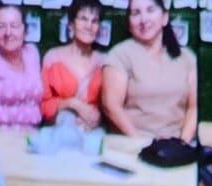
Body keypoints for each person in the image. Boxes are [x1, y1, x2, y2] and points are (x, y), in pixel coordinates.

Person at [103, 0, 197, 141]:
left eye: (150, 10)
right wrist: (140, 143)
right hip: (133, 144)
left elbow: (194, 108)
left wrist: (182, 144)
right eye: (136, 13)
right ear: (129, 23)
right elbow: (111, 106)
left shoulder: (187, 58)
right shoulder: (120, 55)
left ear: (164, 17)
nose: (144, 19)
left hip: (176, 145)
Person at [0, 4, 45, 131]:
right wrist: (4, 140)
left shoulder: (32, 53)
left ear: (25, 29)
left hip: (33, 135)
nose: (8, 33)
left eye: (14, 26)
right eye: (1, 26)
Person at [41, 1, 106, 130]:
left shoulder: (104, 62)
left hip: (93, 131)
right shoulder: (53, 58)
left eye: (94, 21)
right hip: (57, 130)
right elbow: (43, 105)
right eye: (83, 19)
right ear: (71, 25)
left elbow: (109, 106)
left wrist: (97, 119)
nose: (89, 26)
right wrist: (72, 103)